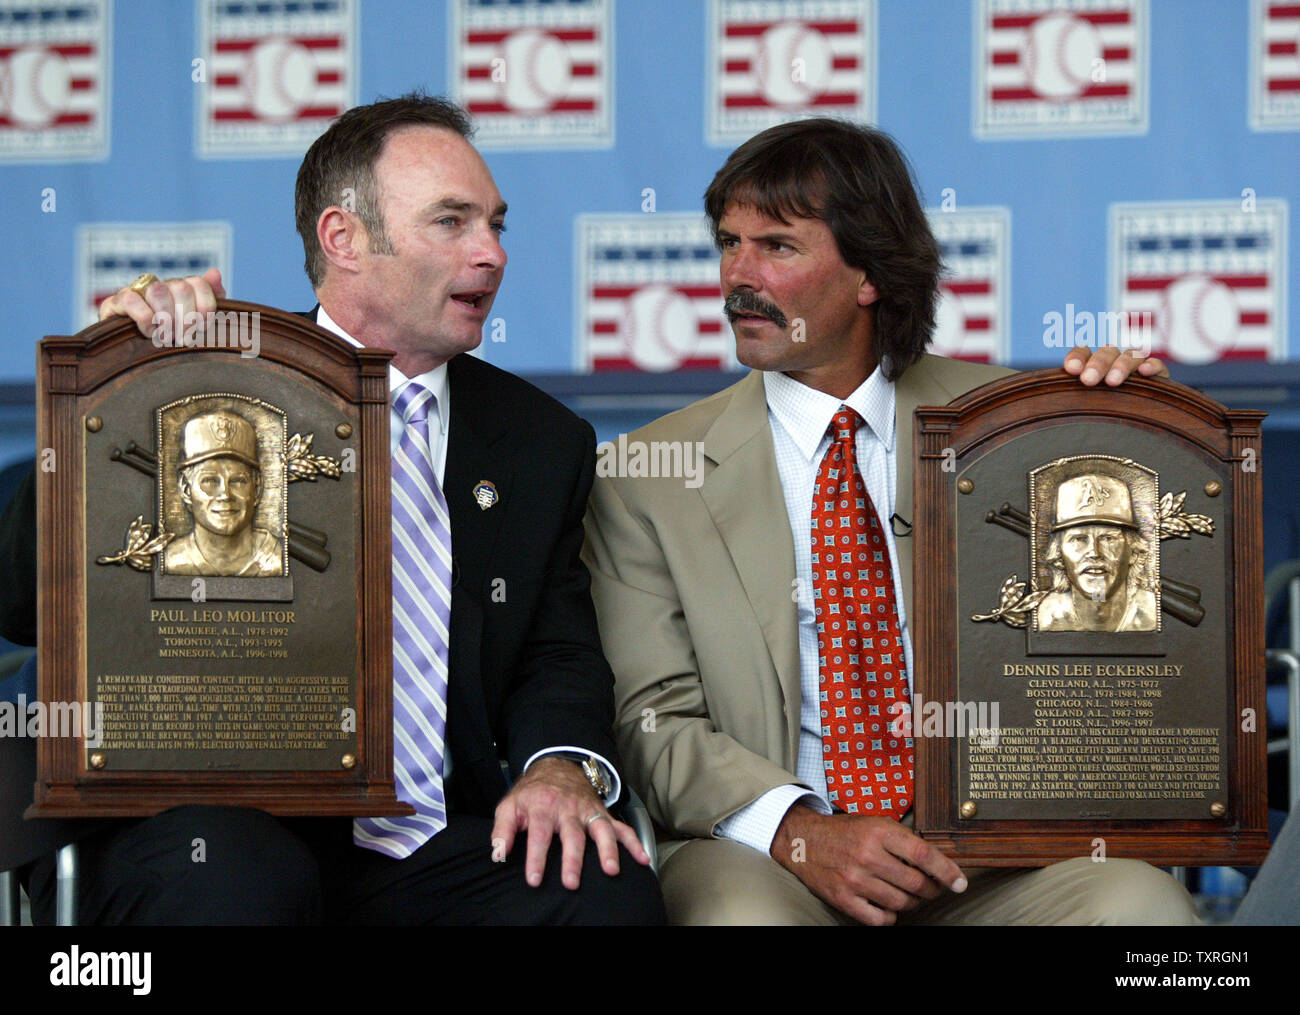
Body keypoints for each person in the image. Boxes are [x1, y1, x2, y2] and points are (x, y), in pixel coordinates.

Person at [3, 93, 664, 925]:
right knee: (241, 882)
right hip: (204, 819)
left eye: (496, 224)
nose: (491, 254)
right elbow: (22, 598)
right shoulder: (205, 371)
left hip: (429, 838)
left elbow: (556, 652)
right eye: (452, 223)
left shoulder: (541, 441)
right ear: (342, 238)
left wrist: (561, 769)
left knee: (600, 888)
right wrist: (119, 381)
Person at [582, 117, 1197, 925]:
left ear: (870, 272)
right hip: (769, 854)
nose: (737, 275)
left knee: (1140, 908)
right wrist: (803, 830)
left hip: (994, 855)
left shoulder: (1015, 422)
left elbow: (1132, 638)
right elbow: (652, 721)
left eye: (777, 246)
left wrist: (1130, 427)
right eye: (728, 243)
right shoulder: (642, 476)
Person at [163, 409, 284, 577]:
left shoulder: (278, 561)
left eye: (238, 481)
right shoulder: (169, 560)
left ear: (256, 488)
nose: (225, 495)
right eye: (210, 481)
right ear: (185, 488)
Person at [1036, 474, 1157, 632]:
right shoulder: (1046, 617)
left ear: (1133, 552)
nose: (1094, 552)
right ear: (1058, 555)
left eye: (1108, 538)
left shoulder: (1152, 612)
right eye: (1079, 539)